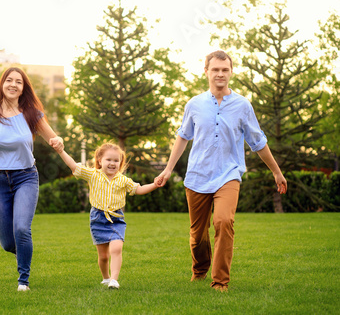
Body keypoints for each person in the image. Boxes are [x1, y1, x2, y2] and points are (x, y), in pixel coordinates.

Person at [155, 50, 287, 292]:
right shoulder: (194, 104)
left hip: (229, 174)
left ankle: (220, 281)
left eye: (225, 70)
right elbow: (183, 138)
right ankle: (199, 269)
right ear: (206, 72)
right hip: (197, 176)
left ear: (231, 72)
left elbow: (258, 142)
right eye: (215, 69)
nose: (220, 74)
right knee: (197, 234)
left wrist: (276, 172)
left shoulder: (242, 106)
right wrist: (167, 169)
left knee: (224, 221)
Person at [0, 67, 64, 292]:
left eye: (19, 81)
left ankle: (23, 281)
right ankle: (24, 250)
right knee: (8, 243)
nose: (13, 84)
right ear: (2, 84)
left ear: (23, 88)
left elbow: (53, 138)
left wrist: (60, 141)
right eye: (9, 80)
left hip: (25, 177)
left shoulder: (31, 113)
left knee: (22, 229)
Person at [56, 142, 159, 289]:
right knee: (103, 257)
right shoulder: (93, 175)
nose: (112, 163)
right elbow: (74, 166)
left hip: (116, 218)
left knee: (116, 249)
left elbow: (139, 189)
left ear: (120, 163)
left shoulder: (123, 180)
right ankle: (106, 278)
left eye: (116, 161)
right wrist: (61, 151)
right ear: (99, 160)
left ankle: (114, 280)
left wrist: (155, 184)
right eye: (108, 160)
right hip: (98, 218)